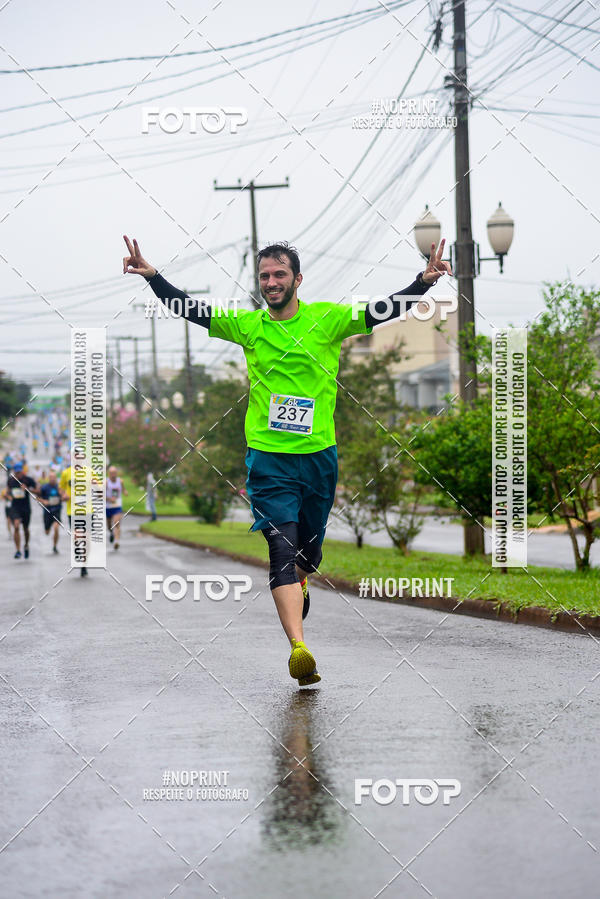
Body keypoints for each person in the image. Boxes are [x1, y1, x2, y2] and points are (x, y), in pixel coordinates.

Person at [123, 235, 450, 686]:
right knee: (280, 546)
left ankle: (301, 581)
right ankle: (299, 649)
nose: (271, 282)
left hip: (318, 459)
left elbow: (384, 309)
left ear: (297, 279)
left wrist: (423, 283)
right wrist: (154, 278)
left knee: (307, 556)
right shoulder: (248, 325)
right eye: (264, 276)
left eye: (279, 274)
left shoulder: (328, 319)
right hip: (268, 460)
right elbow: (191, 310)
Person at [59, 464, 88, 577]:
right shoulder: (66, 473)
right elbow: (61, 488)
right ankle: (78, 549)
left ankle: (84, 565)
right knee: (77, 535)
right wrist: (63, 495)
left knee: (86, 538)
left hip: (87, 509)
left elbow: (98, 487)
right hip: (72, 510)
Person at [6, 461, 36, 559]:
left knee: (26, 529)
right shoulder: (11, 480)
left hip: (26, 508)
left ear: (22, 471)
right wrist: (8, 495)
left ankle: (26, 545)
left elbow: (38, 490)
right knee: (16, 526)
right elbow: (7, 492)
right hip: (15, 507)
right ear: (14, 472)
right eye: (17, 472)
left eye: (20, 472)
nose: (18, 474)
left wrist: (27, 489)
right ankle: (18, 550)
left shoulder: (28, 480)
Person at [39, 469, 63, 554]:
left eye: (54, 477)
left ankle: (55, 546)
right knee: (47, 532)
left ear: (56, 478)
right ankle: (47, 529)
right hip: (47, 512)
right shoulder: (44, 487)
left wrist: (61, 497)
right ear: (48, 478)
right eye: (51, 477)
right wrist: (44, 501)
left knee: (56, 528)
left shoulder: (59, 487)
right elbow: (39, 498)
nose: (52, 479)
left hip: (56, 510)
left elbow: (64, 496)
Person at [105, 465, 126, 549]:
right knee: (109, 526)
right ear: (108, 474)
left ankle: (117, 542)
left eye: (114, 473)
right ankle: (112, 533)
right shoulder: (105, 483)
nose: (113, 474)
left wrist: (125, 492)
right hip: (108, 507)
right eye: (111, 473)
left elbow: (123, 489)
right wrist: (109, 499)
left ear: (116, 473)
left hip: (117, 506)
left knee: (117, 523)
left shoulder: (120, 481)